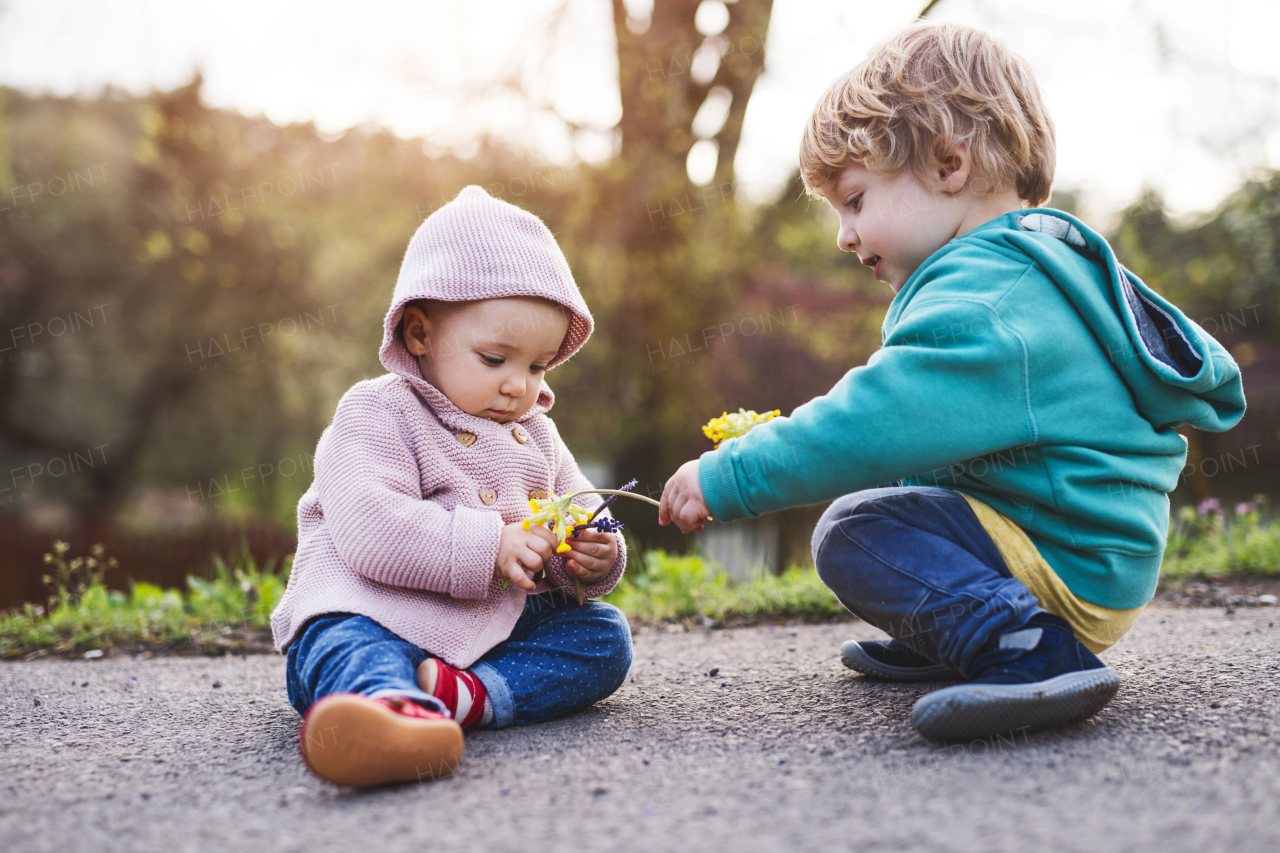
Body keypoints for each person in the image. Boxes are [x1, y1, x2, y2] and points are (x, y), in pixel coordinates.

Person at [659, 22, 1244, 743]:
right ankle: (963, 626)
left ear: (947, 164)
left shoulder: (983, 305)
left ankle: (1023, 645)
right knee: (905, 494)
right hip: (1085, 546)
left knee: (854, 528)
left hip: (1066, 561)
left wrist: (733, 473)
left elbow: (871, 424)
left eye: (854, 199)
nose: (843, 236)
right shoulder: (1024, 272)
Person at [271, 186, 632, 787]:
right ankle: (385, 712)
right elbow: (369, 528)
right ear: (419, 333)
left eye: (538, 365)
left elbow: (583, 505)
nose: (520, 386)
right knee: (343, 644)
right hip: (375, 612)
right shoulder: (378, 412)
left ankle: (469, 697)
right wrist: (490, 544)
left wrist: (595, 554)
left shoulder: (535, 432)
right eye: (495, 359)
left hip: (487, 630)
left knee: (604, 637)